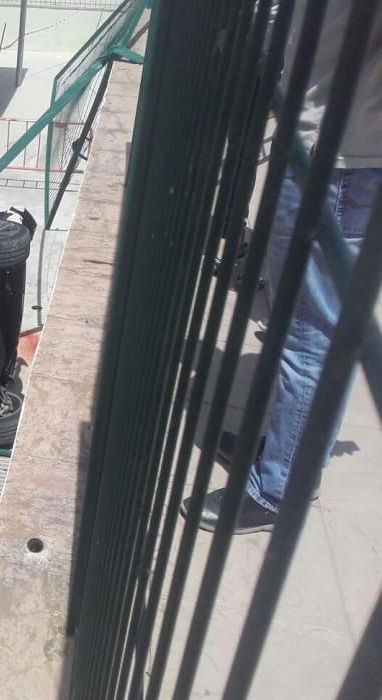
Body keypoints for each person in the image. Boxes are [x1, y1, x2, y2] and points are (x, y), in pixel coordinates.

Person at [186, 0, 382, 534]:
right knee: (311, 331)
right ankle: (283, 453)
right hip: (337, 159)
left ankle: (278, 491)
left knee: (311, 340)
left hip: (340, 167)